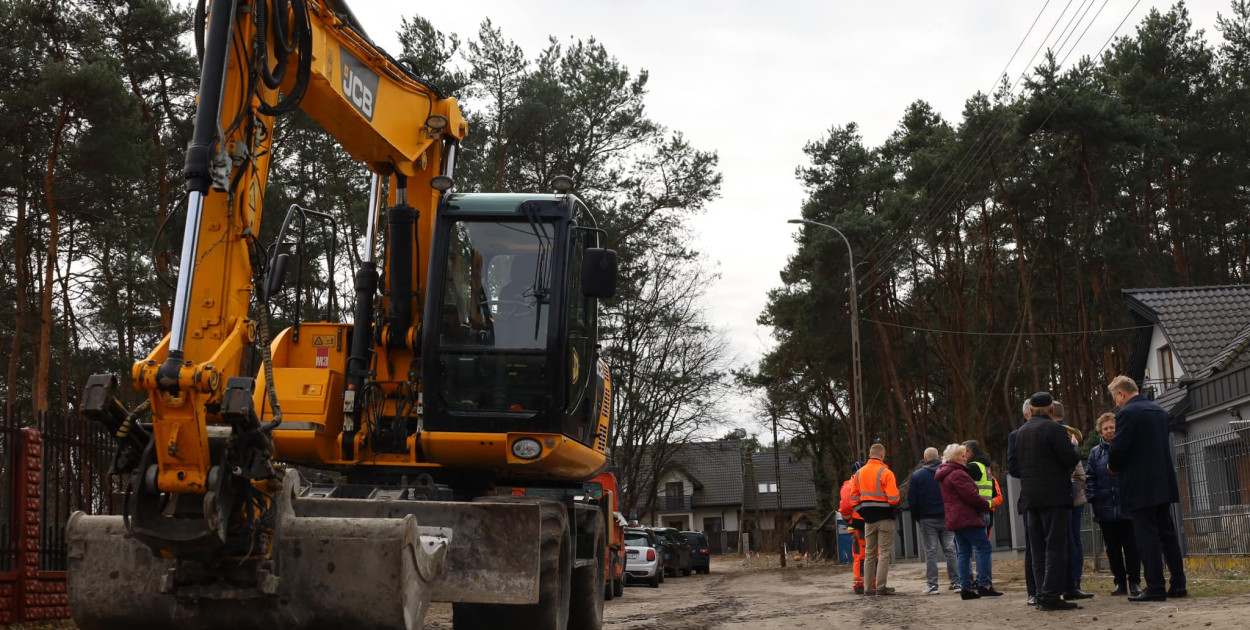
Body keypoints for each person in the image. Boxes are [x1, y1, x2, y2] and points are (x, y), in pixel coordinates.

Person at [1106, 375, 1187, 602]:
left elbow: (1119, 449)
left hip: (1140, 484)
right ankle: (1178, 584)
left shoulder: (1127, 414)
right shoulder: (1159, 411)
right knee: (1167, 533)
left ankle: (1155, 586)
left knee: (1146, 535)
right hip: (1163, 482)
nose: (1116, 403)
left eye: (1115, 398)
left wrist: (1113, 466)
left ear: (1121, 393)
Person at [1015, 391, 1082, 611]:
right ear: (1052, 409)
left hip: (1030, 497)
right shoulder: (1054, 429)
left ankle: (1041, 593)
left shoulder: (1022, 432)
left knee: (1037, 548)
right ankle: (1052, 595)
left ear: (1031, 409)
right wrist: (1074, 446)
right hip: (1053, 496)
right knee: (1056, 546)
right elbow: (1069, 459)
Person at [1086, 411, 1143, 597]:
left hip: (1127, 507)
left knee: (1131, 548)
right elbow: (1090, 477)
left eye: (1112, 427)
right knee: (1112, 549)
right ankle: (1119, 582)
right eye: (1106, 428)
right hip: (1105, 509)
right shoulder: (1095, 453)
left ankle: (1135, 582)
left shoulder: (1127, 448)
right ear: (1101, 431)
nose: (1109, 430)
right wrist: (1092, 497)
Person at [936, 443, 1002, 599]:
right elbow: (971, 496)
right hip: (968, 516)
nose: (965, 458)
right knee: (983, 547)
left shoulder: (946, 474)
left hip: (956, 518)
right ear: (955, 458)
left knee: (964, 552)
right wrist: (986, 505)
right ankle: (984, 584)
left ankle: (966, 587)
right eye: (962, 456)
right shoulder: (958, 474)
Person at [1053, 402, 1094, 601]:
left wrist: (1067, 493)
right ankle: (1072, 582)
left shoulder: (1063, 437)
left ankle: (1073, 582)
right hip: (1072, 498)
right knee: (1073, 540)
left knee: (1071, 540)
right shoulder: (1068, 435)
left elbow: (1079, 475)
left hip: (1071, 500)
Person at [909, 447, 960, 594]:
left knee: (930, 552)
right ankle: (956, 583)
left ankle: (932, 585)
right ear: (938, 457)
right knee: (950, 550)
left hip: (927, 518)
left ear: (925, 459)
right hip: (946, 516)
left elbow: (912, 500)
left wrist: (918, 517)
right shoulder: (948, 473)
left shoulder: (917, 475)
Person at [851, 443, 900, 595]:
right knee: (884, 553)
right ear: (882, 455)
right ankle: (881, 587)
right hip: (885, 518)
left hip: (868, 520)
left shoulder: (859, 474)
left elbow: (853, 499)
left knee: (869, 554)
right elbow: (893, 499)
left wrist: (864, 513)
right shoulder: (886, 473)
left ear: (869, 455)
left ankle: (867, 588)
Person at [1006, 398, 1038, 605]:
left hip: (1050, 494)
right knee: (1032, 545)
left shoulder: (1051, 430)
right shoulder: (1016, 436)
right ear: (1028, 414)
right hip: (1030, 494)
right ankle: (1033, 591)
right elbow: (1012, 467)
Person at [838, 461, 868, 594]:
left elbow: (845, 508)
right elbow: (845, 507)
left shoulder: (848, 486)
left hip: (856, 524)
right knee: (864, 554)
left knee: (861, 554)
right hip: (861, 524)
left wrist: (848, 519)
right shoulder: (860, 484)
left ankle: (862, 582)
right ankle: (862, 583)